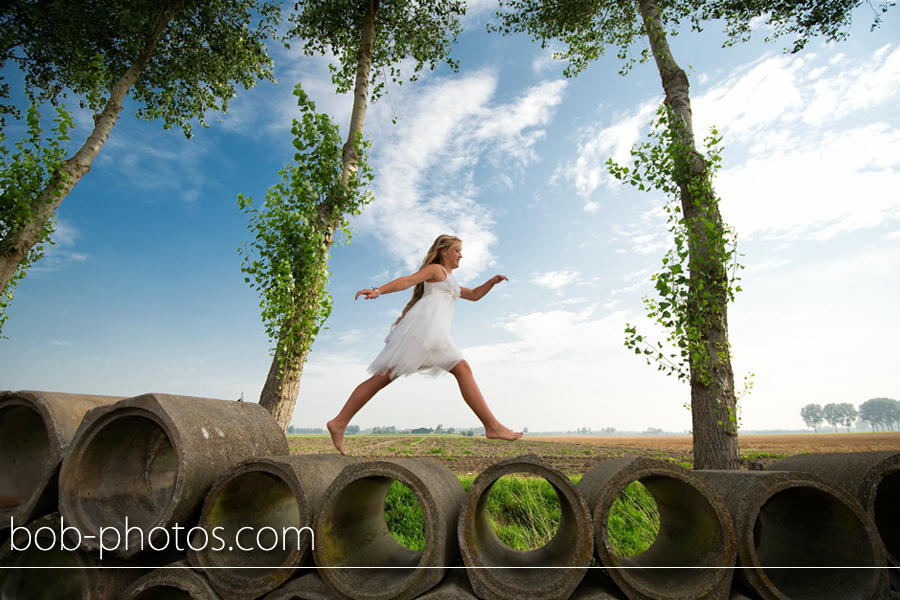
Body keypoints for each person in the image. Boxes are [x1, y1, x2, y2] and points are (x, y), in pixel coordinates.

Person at [327, 234, 523, 454]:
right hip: (424, 332)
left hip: (431, 334)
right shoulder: (436, 270)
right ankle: (492, 426)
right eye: (457, 250)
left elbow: (475, 295)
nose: (461, 255)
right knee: (455, 370)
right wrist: (378, 291)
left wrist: (491, 282)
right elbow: (409, 280)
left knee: (384, 377)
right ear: (443, 251)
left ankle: (339, 422)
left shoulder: (452, 281)